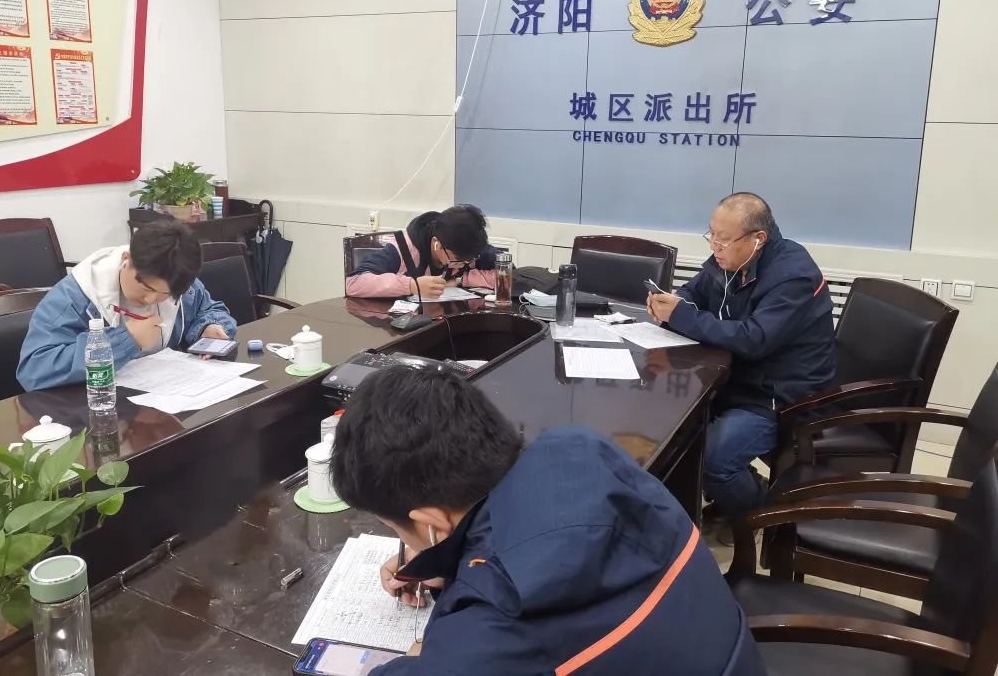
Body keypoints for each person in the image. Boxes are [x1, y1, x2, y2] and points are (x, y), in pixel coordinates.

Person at [330, 366, 766, 675]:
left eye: (394, 528)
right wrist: (444, 561)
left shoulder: (493, 631)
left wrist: (422, 651)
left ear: (432, 522)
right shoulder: (578, 446)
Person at [646, 193, 835, 536]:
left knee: (714, 459)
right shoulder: (733, 258)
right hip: (738, 379)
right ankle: (702, 507)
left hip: (781, 396)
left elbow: (754, 338)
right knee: (674, 428)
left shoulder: (793, 275)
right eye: (711, 235)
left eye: (723, 239)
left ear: (758, 238)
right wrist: (674, 303)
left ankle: (762, 511)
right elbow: (695, 292)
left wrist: (682, 316)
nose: (714, 246)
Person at [17, 220, 237, 391]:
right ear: (126, 259)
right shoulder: (75, 297)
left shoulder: (177, 278)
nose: (150, 300)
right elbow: (34, 369)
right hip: (98, 409)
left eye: (163, 294)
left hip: (171, 397)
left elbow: (210, 309)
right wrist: (126, 339)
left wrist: (208, 328)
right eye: (146, 287)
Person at [345, 205, 497, 299]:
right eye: (457, 261)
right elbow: (353, 283)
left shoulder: (468, 246)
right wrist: (412, 285)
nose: (462, 265)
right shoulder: (403, 247)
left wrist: (461, 280)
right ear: (437, 244)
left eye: (467, 261)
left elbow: (505, 275)